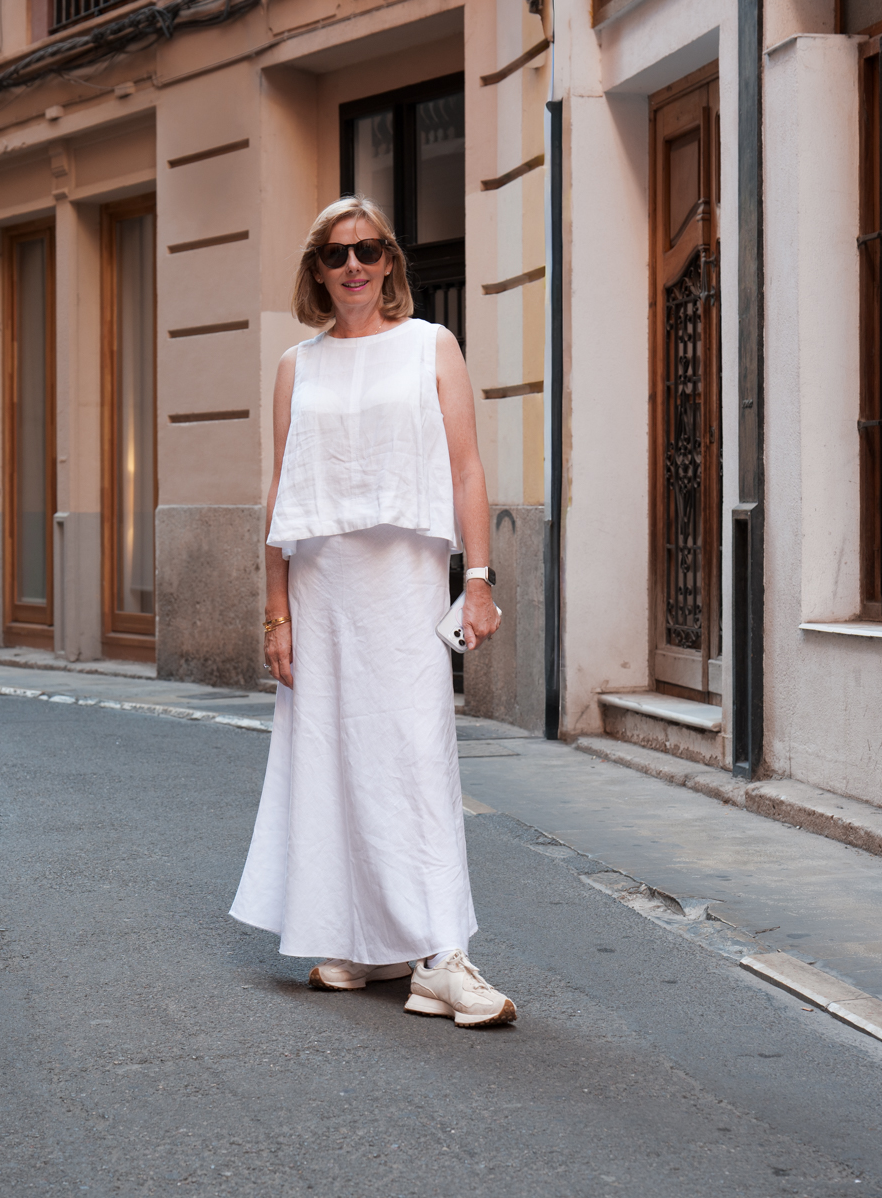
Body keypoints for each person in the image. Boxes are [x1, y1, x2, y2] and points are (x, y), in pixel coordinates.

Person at [229, 196, 516, 1029]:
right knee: (330, 750)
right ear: (316, 271)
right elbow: (282, 491)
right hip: (322, 584)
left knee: (415, 752)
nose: (352, 266)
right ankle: (355, 937)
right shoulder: (297, 365)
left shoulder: (432, 345)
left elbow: (465, 470)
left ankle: (441, 956)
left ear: (390, 260)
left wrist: (480, 579)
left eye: (366, 250)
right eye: (334, 254)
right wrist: (274, 610)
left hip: (405, 576)